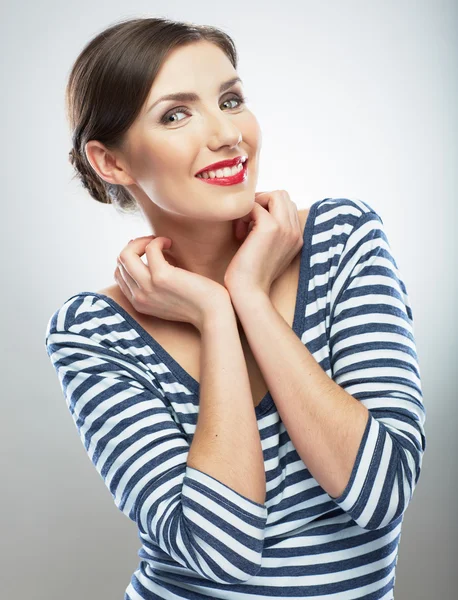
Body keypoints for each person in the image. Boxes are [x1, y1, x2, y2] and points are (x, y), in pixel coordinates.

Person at [45, 16, 426, 600]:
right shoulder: (92, 332)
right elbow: (221, 551)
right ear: (112, 163)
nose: (227, 134)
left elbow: (383, 495)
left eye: (231, 100)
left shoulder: (342, 239)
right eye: (176, 114)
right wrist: (216, 316)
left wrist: (249, 296)